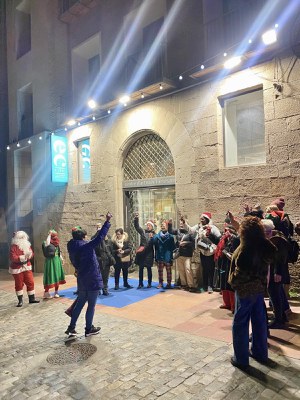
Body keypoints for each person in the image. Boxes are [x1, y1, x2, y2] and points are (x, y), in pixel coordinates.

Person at [228, 216, 276, 370]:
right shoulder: (264, 245)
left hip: (245, 290)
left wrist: (233, 280)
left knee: (240, 323)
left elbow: (242, 271)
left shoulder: (246, 248)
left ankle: (241, 358)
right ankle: (260, 352)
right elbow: (270, 256)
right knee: (259, 321)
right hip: (259, 289)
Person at [65, 212, 112, 339]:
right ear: (83, 237)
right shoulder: (86, 246)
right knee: (91, 305)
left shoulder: (71, 246)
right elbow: (100, 237)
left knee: (80, 304)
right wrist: (107, 222)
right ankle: (88, 328)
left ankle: (71, 327)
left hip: (81, 279)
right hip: (92, 279)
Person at [183, 212, 221, 293]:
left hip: (211, 252)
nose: (201, 220)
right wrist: (184, 223)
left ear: (207, 219)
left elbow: (219, 238)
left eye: (203, 219)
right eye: (201, 219)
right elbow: (191, 230)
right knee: (204, 269)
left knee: (211, 269)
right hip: (202, 251)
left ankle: (210, 286)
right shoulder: (199, 226)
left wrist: (210, 236)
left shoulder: (212, 228)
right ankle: (204, 285)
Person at [9, 231, 40, 307]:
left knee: (30, 282)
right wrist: (22, 257)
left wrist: (29, 255)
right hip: (17, 268)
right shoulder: (13, 247)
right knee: (19, 284)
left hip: (27, 266)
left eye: (23, 237)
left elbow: (31, 253)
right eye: (21, 237)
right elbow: (13, 257)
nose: (23, 239)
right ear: (17, 239)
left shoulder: (27, 245)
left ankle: (31, 299)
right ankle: (20, 301)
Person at [168, 218, 196, 291]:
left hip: (187, 254)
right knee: (181, 270)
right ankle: (184, 284)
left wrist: (185, 243)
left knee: (188, 269)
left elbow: (193, 244)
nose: (181, 225)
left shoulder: (190, 233)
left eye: (182, 223)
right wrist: (170, 224)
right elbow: (170, 231)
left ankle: (191, 285)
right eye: (180, 223)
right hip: (180, 253)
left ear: (186, 224)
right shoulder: (178, 231)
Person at [92, 222, 115, 296]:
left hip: (106, 260)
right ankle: (98, 290)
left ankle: (105, 290)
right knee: (98, 276)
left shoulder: (108, 237)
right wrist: (98, 232)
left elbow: (111, 248)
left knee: (105, 277)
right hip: (98, 260)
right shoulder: (94, 238)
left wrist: (111, 257)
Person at [42, 229, 66, 299]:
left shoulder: (56, 243)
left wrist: (61, 259)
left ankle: (56, 292)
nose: (55, 236)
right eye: (53, 235)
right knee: (50, 275)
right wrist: (49, 235)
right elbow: (47, 244)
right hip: (50, 262)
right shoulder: (46, 242)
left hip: (57, 261)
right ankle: (46, 293)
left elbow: (58, 252)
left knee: (57, 275)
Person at [133, 213, 155, 289]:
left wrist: (152, 238)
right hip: (142, 253)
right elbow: (137, 227)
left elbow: (153, 243)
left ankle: (149, 283)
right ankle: (140, 283)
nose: (148, 226)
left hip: (149, 253)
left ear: (152, 226)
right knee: (141, 268)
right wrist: (136, 219)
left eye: (149, 225)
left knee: (149, 269)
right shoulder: (143, 232)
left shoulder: (154, 234)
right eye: (147, 225)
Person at [152, 220, 176, 289]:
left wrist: (172, 256)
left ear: (167, 227)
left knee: (169, 271)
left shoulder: (170, 237)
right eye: (161, 225)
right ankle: (160, 283)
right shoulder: (157, 236)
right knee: (160, 271)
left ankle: (169, 283)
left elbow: (173, 247)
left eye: (164, 225)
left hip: (167, 256)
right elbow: (154, 243)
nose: (162, 226)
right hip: (160, 256)